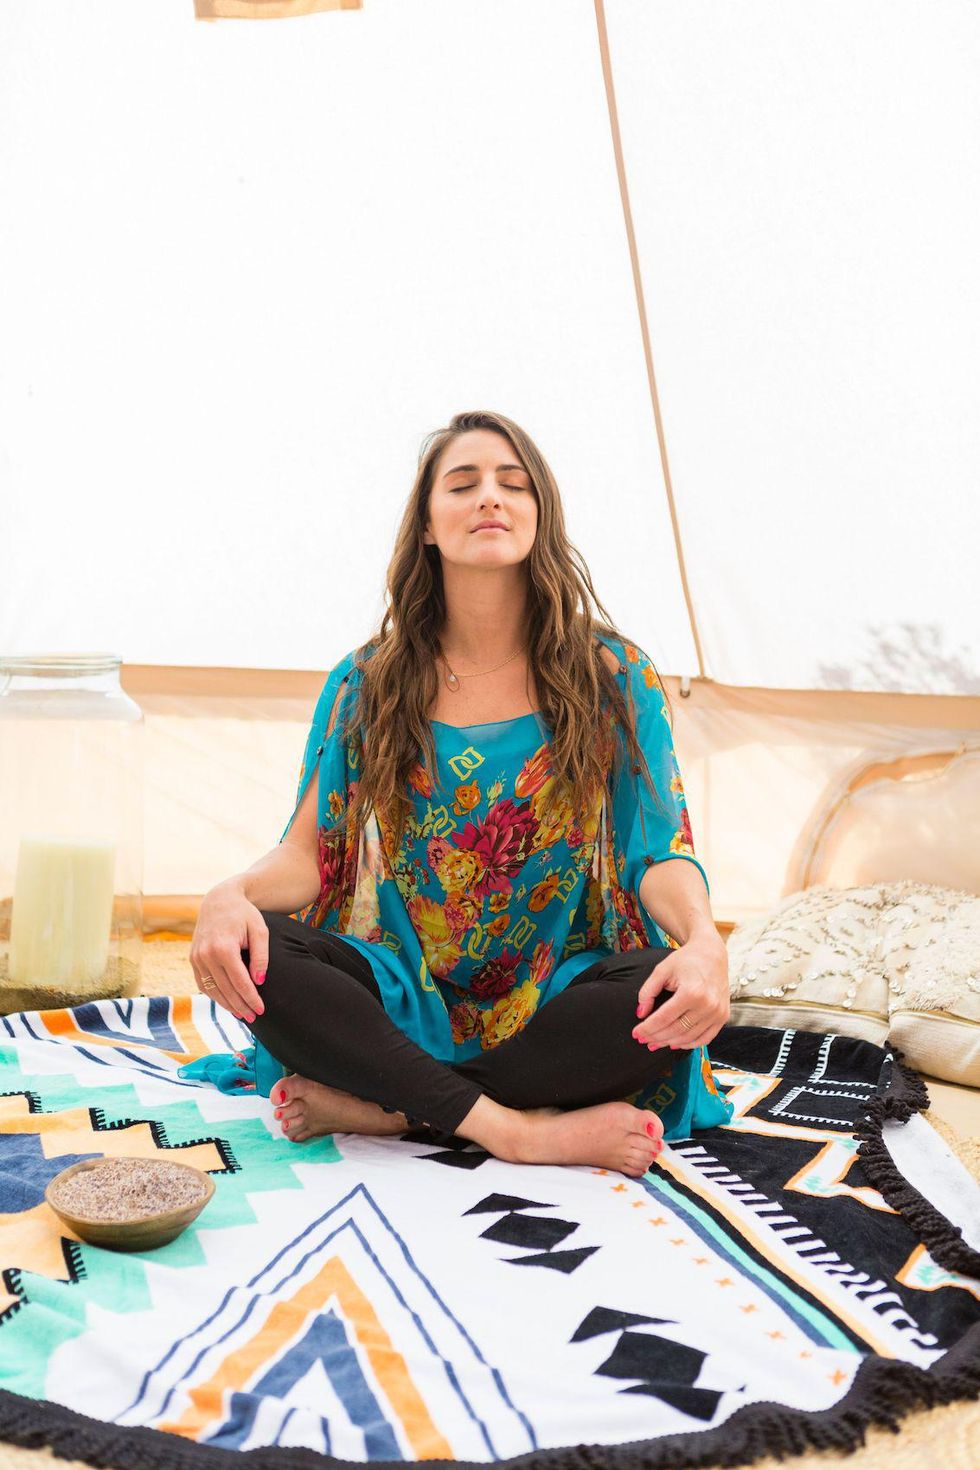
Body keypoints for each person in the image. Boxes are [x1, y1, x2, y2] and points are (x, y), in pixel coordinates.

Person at [187, 410, 733, 1177]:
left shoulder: (613, 676)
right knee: (264, 955)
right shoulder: (368, 683)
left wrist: (707, 943)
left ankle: (392, 1107)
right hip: (404, 999)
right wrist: (229, 892)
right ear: (428, 528)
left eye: (514, 484)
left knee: (649, 991)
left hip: (560, 997)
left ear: (540, 519)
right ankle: (522, 1131)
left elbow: (658, 853)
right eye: (463, 483)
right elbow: (308, 858)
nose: (490, 498)